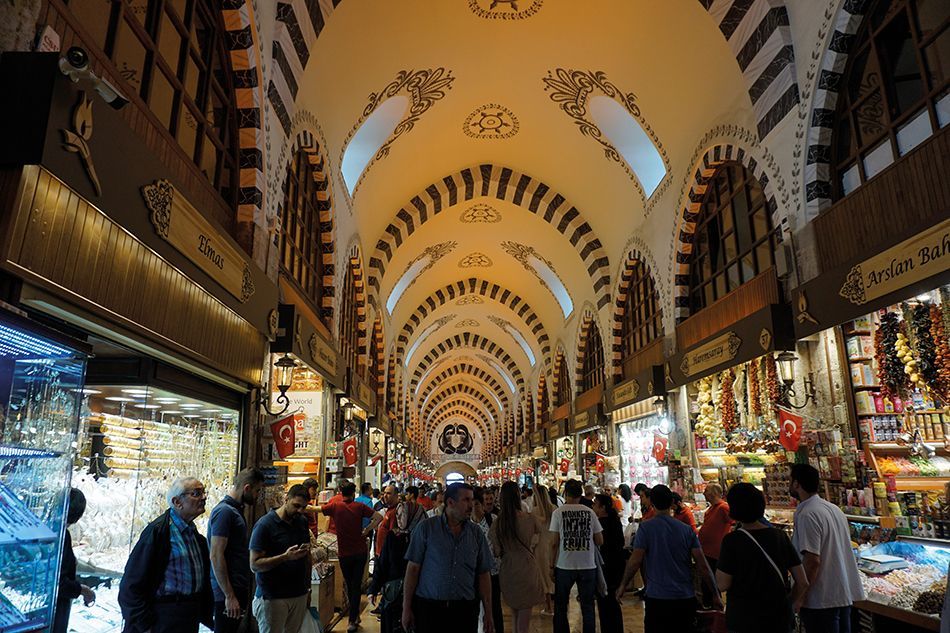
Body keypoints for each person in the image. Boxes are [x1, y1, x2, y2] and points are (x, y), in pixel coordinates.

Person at [617, 484, 720, 633]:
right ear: (671, 502)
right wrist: (715, 594)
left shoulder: (646, 528)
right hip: (684, 597)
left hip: (657, 597)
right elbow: (702, 565)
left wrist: (622, 586)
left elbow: (635, 561)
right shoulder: (686, 530)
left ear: (652, 503)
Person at [118, 478, 214, 633]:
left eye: (204, 492)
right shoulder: (158, 533)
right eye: (196, 493)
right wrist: (145, 626)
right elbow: (130, 585)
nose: (204, 497)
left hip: (187, 619)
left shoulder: (194, 536)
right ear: (177, 502)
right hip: (162, 618)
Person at [401, 482, 495, 633]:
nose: (471, 505)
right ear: (450, 502)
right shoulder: (426, 529)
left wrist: (488, 612)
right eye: (466, 500)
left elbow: (483, 574)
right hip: (430, 609)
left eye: (472, 500)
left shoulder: (476, 533)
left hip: (465, 610)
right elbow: (413, 570)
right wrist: (406, 607)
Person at [716, 483, 808, 633]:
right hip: (778, 618)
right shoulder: (780, 537)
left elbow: (722, 583)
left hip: (744, 618)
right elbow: (803, 582)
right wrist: (789, 604)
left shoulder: (732, 541)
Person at [790, 464, 864, 633]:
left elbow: (812, 561)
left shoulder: (808, 514)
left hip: (820, 600)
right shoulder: (833, 509)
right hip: (841, 595)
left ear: (796, 483)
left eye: (790, 480)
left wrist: (799, 596)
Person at [313, 481, 383, 632]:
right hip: (360, 552)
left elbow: (315, 509)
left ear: (340, 491)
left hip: (344, 553)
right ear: (353, 493)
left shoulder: (335, 506)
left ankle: (353, 617)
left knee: (350, 584)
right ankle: (353, 618)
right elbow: (378, 517)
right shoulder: (359, 507)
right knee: (355, 585)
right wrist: (366, 530)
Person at [249, 484, 312, 633]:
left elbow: (307, 557)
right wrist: (284, 557)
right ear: (286, 499)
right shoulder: (265, 525)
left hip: (299, 594)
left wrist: (307, 588)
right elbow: (254, 565)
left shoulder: (302, 522)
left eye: (304, 507)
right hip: (272, 597)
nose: (300, 511)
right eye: (296, 506)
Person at [208, 468, 265, 633]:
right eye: (257, 491)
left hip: (236, 586)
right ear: (247, 488)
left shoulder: (235, 511)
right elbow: (216, 555)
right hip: (227, 591)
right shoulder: (225, 512)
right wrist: (229, 595)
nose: (257, 495)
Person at [549, 478, 603, 633]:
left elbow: (554, 543)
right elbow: (600, 540)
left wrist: (550, 566)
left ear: (566, 493)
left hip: (564, 565)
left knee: (561, 606)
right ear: (581, 494)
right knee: (588, 606)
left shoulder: (558, 513)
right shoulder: (590, 512)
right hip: (587, 565)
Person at [490, 482, 544, 633]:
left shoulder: (498, 523)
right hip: (526, 566)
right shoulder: (529, 518)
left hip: (508, 568)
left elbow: (496, 552)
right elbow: (540, 531)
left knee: (515, 614)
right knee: (524, 619)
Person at [53, 488, 96, 633]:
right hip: (54, 611)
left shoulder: (48, 528)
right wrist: (83, 590)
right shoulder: (61, 535)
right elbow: (59, 583)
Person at [592, 494, 625, 633]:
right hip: (616, 565)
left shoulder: (600, 524)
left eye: (595, 504)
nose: (593, 506)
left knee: (604, 602)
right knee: (613, 601)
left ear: (603, 507)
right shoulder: (615, 521)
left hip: (605, 566)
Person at [473, 487, 504, 633]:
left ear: (482, 505)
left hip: (493, 571)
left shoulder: (493, 520)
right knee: (474, 607)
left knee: (495, 605)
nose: (473, 508)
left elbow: (501, 542)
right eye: (471, 505)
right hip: (473, 573)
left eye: (476, 504)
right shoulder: (467, 525)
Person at [531, 485, 556, 615]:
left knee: (543, 576)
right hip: (553, 545)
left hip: (540, 546)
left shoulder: (534, 511)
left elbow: (533, 531)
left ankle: (548, 606)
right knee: (552, 575)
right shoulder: (554, 509)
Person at [698, 482, 731, 573]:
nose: (704, 493)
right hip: (707, 552)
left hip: (715, 554)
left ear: (714, 493)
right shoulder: (712, 508)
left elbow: (735, 524)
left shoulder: (723, 507)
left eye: (706, 491)